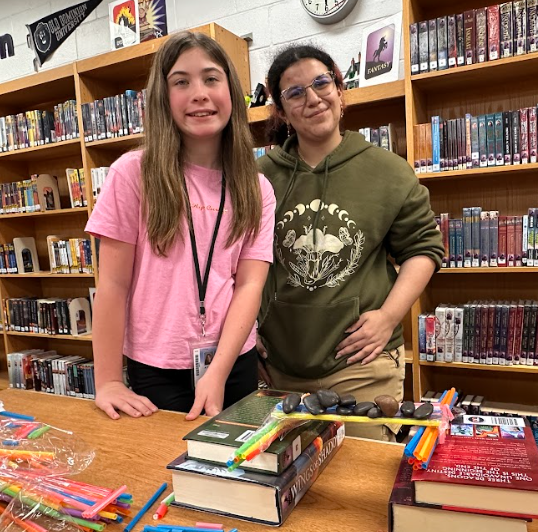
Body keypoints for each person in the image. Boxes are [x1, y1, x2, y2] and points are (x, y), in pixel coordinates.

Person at [256, 45, 444, 441]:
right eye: (295, 93)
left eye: (321, 83)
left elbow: (423, 250)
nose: (312, 99)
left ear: (340, 90)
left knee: (360, 490)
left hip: (363, 363)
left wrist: (389, 317)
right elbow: (234, 261)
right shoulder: (257, 178)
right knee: (291, 488)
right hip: (279, 368)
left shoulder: (388, 170)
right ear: (282, 110)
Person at [85, 32, 276, 421]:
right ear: (163, 97)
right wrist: (106, 380)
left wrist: (218, 371)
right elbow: (113, 285)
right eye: (181, 82)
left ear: (231, 90)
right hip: (156, 367)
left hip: (232, 361)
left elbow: (250, 284)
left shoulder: (256, 187)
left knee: (234, 473)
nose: (199, 93)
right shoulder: (132, 173)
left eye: (210, 78)